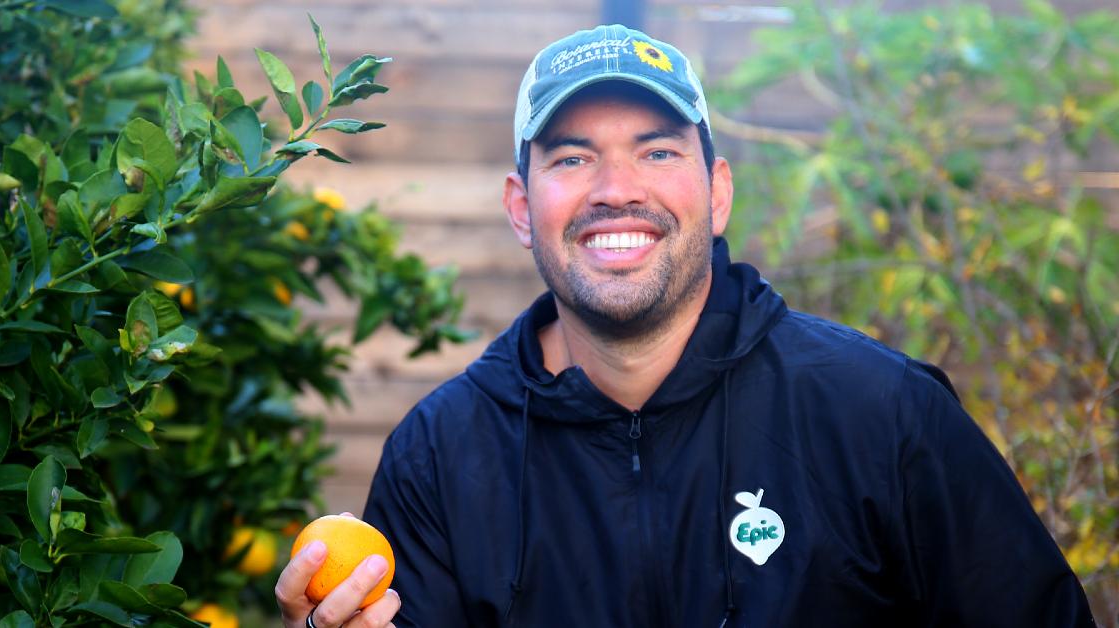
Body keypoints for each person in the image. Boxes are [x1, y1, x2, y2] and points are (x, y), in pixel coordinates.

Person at [275, 24, 1096, 627]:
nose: (616, 188)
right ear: (522, 209)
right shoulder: (440, 460)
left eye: (658, 151)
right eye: (571, 157)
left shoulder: (881, 415)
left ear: (720, 190)